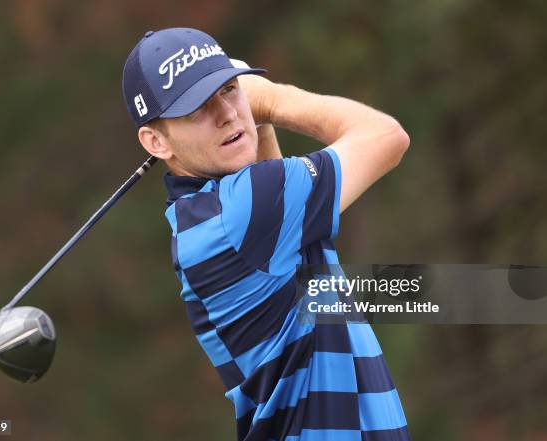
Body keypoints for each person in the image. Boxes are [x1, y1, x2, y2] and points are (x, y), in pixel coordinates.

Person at [122, 27, 411, 440]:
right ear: (156, 140)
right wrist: (270, 98)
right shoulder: (241, 211)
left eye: (228, 89)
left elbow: (291, 228)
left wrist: (256, 122)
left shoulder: (205, 217)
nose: (226, 113)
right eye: (195, 108)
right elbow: (387, 137)